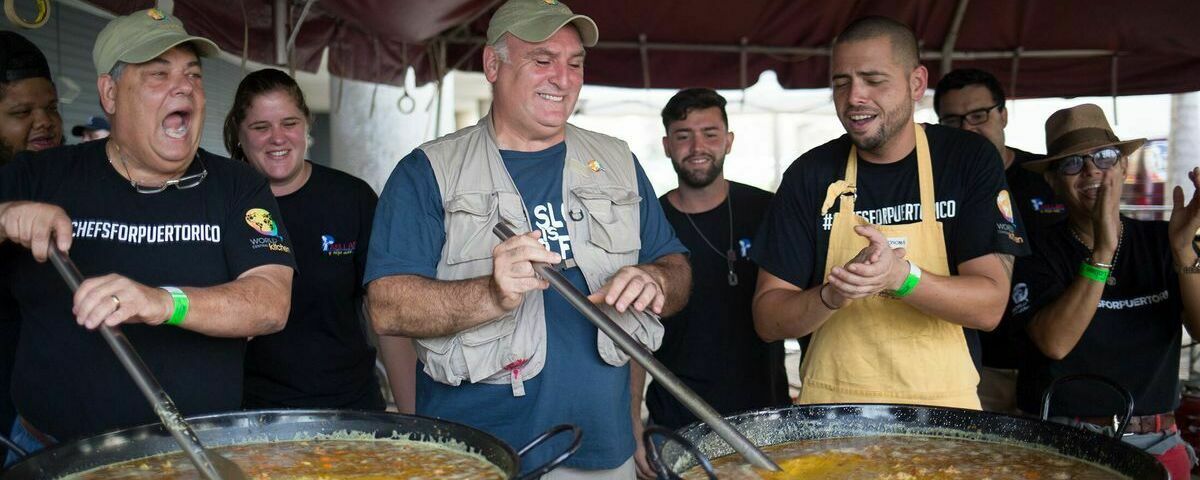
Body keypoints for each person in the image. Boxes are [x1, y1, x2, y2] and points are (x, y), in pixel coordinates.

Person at [364, 0, 690, 476]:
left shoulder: (617, 162)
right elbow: (387, 307)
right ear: (493, 65)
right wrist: (491, 293)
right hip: (476, 456)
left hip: (604, 451)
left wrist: (656, 280)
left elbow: (676, 267)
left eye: (574, 63)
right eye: (543, 60)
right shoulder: (428, 172)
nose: (563, 78)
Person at [0, 9, 294, 465]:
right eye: (159, 74)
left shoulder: (238, 186)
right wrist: (5, 217)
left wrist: (162, 303)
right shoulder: (40, 175)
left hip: (194, 458)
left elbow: (270, 304)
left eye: (192, 75)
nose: (184, 87)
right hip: (50, 452)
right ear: (110, 94)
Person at [751, 16, 1028, 409]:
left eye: (873, 80)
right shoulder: (811, 175)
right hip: (832, 413)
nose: (854, 97)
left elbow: (989, 307)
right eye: (841, 82)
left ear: (917, 83)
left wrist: (901, 276)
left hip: (944, 414)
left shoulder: (966, 160)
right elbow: (768, 319)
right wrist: (831, 295)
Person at [1011, 103, 1200, 479]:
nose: (1092, 170)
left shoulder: (1162, 240)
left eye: (1105, 156)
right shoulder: (1034, 249)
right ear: (1051, 181)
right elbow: (1055, 342)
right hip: (1062, 442)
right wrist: (1102, 252)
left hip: (1157, 440)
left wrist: (1182, 250)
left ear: (1124, 166)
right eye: (1072, 163)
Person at [225, 68, 407, 411]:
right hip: (252, 413)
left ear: (307, 124)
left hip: (350, 409)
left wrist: (413, 417)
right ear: (239, 133)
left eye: (289, 123)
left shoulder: (352, 197)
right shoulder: (223, 203)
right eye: (261, 127)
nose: (277, 138)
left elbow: (387, 314)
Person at [630, 87, 786, 478]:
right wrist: (633, 422)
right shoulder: (648, 225)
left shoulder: (768, 211)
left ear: (729, 141)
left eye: (710, 133)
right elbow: (630, 335)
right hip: (675, 426)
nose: (697, 146)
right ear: (666, 145)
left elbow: (797, 308)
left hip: (765, 424)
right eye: (683, 135)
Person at [934, 67, 1066, 413]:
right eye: (952, 120)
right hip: (976, 364)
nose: (967, 128)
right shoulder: (937, 189)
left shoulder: (1048, 177)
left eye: (979, 115)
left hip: (1054, 362)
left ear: (1003, 114)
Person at [0, 30, 62, 463]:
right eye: (22, 112)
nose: (43, 121)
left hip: (49, 420)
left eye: (51, 108)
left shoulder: (73, 173)